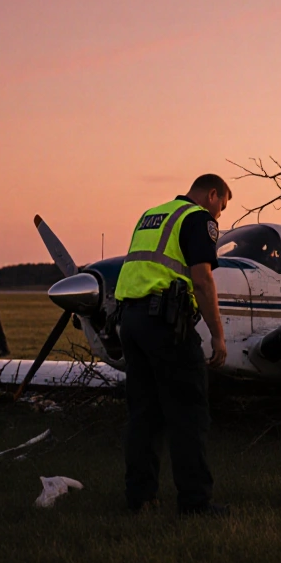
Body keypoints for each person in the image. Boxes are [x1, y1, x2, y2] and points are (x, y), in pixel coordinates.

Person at [115, 174, 231, 516]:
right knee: (188, 414)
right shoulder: (198, 219)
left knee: (143, 416)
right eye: (221, 207)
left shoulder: (152, 215)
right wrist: (217, 333)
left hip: (132, 322)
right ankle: (196, 503)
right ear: (212, 195)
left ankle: (140, 498)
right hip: (167, 325)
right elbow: (202, 278)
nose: (219, 216)